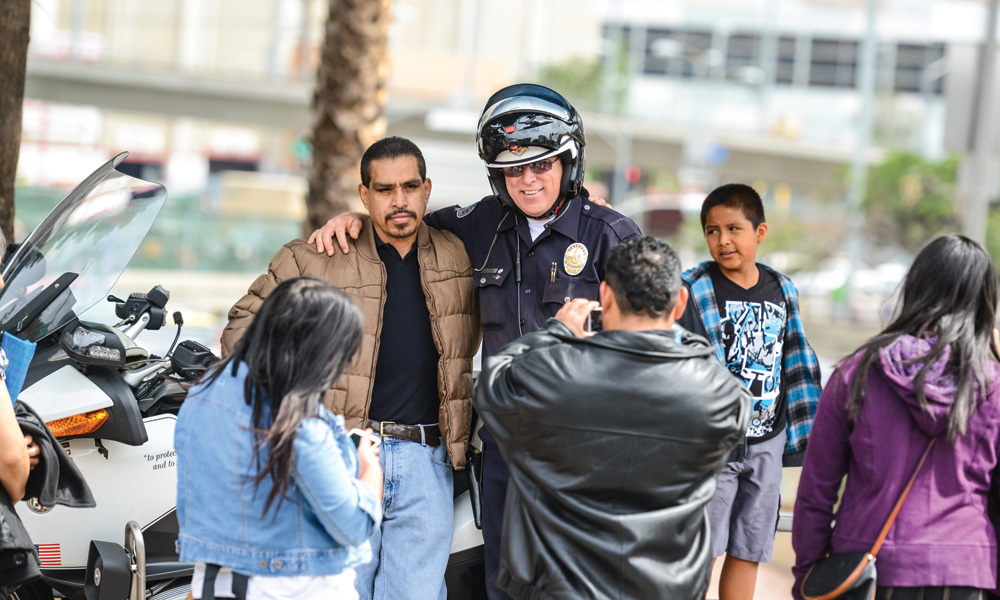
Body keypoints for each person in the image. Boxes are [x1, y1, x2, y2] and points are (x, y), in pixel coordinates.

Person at [308, 83, 642, 599]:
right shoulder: (475, 226)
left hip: (586, 456)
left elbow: (657, 344)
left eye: (542, 165)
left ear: (569, 162)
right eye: (513, 169)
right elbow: (401, 221)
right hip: (506, 451)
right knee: (503, 588)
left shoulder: (611, 236)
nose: (527, 180)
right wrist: (354, 220)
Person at [222, 136, 480, 600]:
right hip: (339, 456)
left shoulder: (461, 255)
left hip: (427, 461)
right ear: (364, 195)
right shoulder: (316, 256)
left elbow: (533, 233)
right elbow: (242, 330)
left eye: (410, 186)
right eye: (384, 190)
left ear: (426, 189)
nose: (399, 201)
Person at [472, 236, 749, 599]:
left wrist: (558, 331)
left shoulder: (553, 374)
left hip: (560, 588)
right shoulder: (718, 395)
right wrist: (676, 335)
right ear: (680, 301)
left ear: (604, 295)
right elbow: (732, 397)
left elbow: (493, 384)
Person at [792, 234, 1000, 600]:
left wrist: (808, 573)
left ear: (916, 287)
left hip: (869, 567)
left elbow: (816, 491)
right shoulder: (992, 382)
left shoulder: (856, 372)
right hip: (966, 570)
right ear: (984, 301)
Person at [175, 278, 382, 600]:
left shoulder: (203, 394)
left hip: (214, 585)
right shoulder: (296, 419)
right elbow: (352, 527)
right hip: (293, 587)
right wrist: (369, 471)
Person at [676, 183, 822, 600]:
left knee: (750, 546)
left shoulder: (783, 289)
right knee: (701, 547)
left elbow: (794, 358)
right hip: (712, 444)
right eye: (712, 231)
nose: (723, 240)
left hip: (767, 443)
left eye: (734, 229)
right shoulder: (692, 289)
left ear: (760, 232)